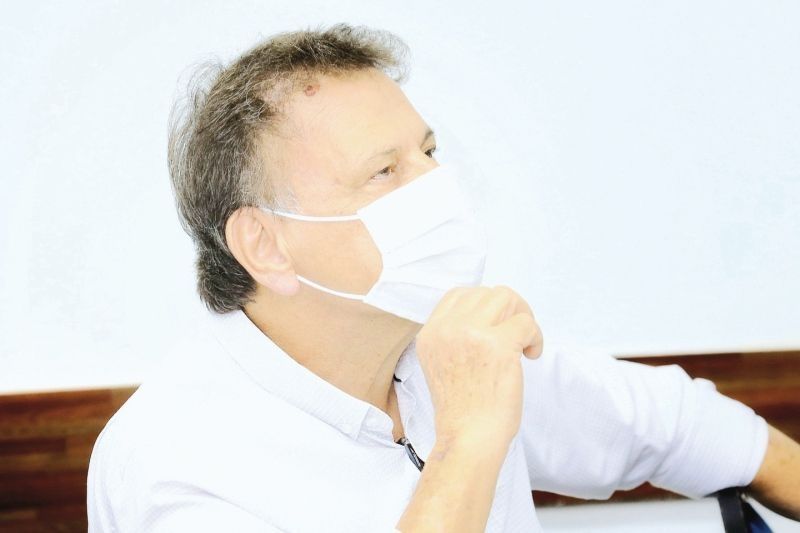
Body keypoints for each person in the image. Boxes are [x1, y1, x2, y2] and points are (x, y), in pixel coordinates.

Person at [87, 24, 800, 532]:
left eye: (427, 153)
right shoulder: (174, 463)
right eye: (384, 171)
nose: (437, 186)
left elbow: (680, 425)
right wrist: (467, 441)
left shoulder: (435, 351)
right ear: (265, 244)